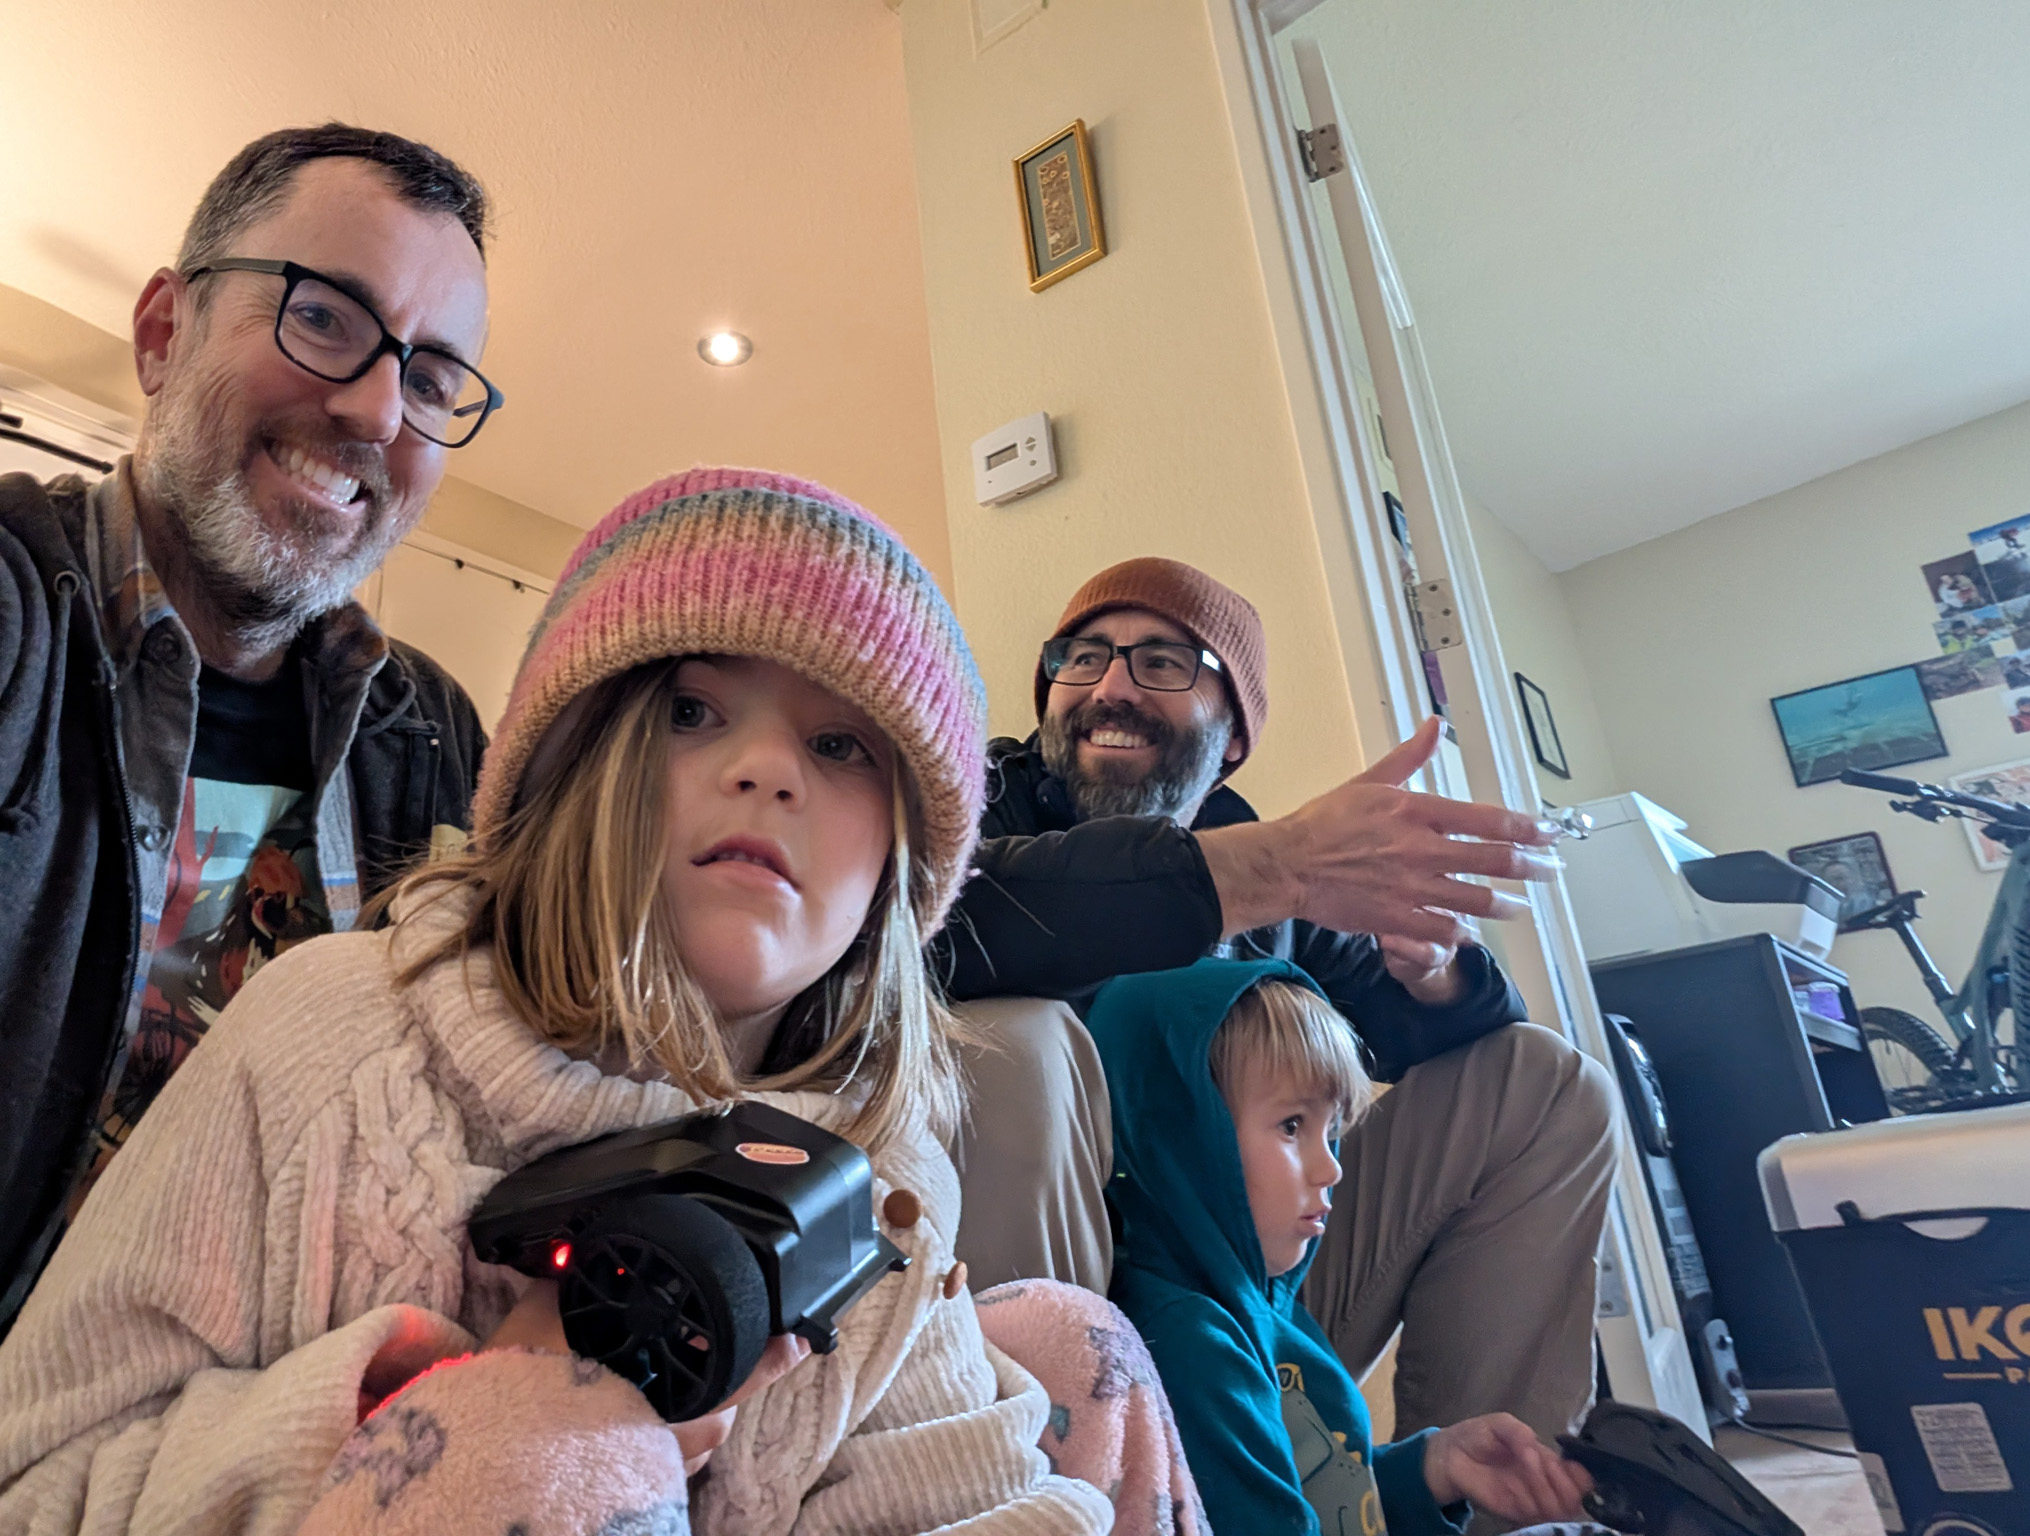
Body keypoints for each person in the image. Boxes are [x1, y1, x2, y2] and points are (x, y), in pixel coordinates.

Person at [0, 468, 1117, 1535]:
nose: (769, 770)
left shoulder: (886, 1188)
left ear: (900, 867)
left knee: (1080, 1349)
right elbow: (39, 1480)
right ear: (574, 761)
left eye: (839, 746)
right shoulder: (329, 1035)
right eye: (691, 711)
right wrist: (481, 1419)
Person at [937, 557, 1618, 1452]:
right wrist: (1260, 870)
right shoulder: (973, 806)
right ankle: (1051, 1475)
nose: (1110, 688)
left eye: (1163, 662)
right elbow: (936, 926)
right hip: (1064, 1311)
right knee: (1015, 1038)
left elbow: (1441, 1032)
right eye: (1083, 657)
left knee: (1547, 1080)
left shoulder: (1265, 860)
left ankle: (1483, 1483)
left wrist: (1435, 971)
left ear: (1232, 738)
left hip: (1236, 1291)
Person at [0, 123, 504, 1325]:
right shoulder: (18, 608)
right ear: (162, 334)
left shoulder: (431, 731)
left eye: (431, 378)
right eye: (322, 316)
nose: (376, 410)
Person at [1086, 958, 1597, 1535]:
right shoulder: (1190, 1350)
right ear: (1181, 1136)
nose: (1331, 1169)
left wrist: (1433, 1468)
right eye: (1291, 1126)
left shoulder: (1262, 1310)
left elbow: (1325, 1494)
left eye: (1331, 1132)